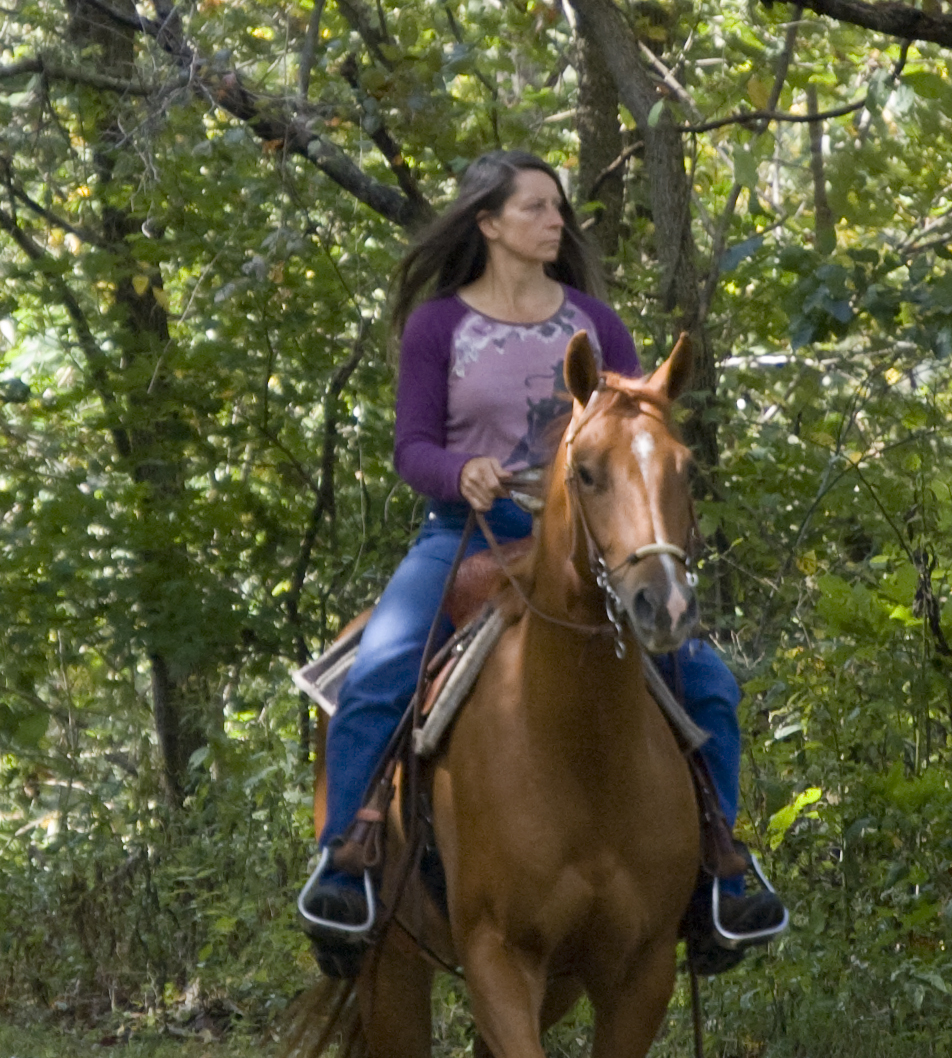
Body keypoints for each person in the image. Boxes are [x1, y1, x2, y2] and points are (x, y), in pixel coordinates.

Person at [297, 149, 789, 968]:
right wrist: (461, 471)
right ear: (487, 224)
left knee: (708, 682)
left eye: (557, 208)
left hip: (591, 551)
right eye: (535, 208)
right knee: (380, 668)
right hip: (464, 533)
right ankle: (347, 863)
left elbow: (638, 433)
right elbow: (411, 447)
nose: (555, 220)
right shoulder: (440, 327)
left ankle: (721, 871)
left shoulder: (595, 325)